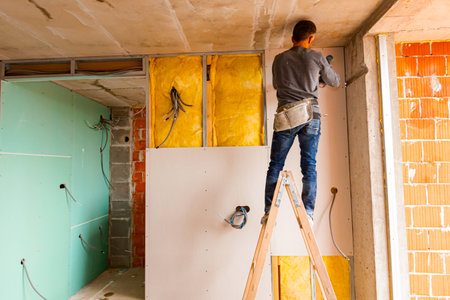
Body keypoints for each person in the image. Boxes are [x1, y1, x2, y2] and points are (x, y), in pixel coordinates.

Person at [261, 20, 340, 225]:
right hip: (309, 115)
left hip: (287, 115)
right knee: (309, 165)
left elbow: (279, 85)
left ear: (292, 38)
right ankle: (309, 214)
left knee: (275, 165)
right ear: (311, 38)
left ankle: (269, 211)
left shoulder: (279, 59)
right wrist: (320, 75)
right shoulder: (317, 57)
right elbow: (335, 81)